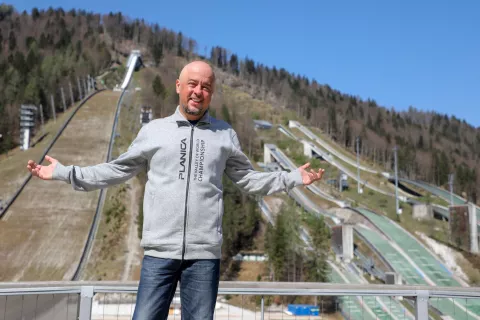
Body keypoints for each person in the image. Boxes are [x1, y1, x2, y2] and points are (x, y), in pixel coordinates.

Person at [27, 60, 325, 320]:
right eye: (192, 84)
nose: (198, 91)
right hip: (159, 254)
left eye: (206, 87)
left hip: (204, 257)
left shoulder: (225, 135)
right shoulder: (153, 131)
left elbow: (249, 180)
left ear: (212, 93)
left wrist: (292, 178)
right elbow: (116, 169)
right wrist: (65, 173)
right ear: (179, 86)